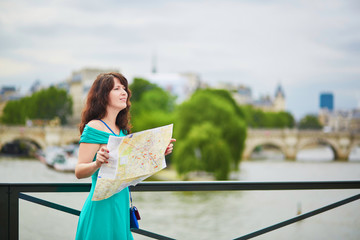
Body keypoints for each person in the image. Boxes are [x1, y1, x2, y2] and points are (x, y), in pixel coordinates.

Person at [75, 72, 175, 240]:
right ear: (103, 96)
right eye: (117, 88)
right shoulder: (94, 126)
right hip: (101, 205)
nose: (124, 92)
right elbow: (79, 171)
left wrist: (158, 152)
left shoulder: (122, 131)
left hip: (121, 203)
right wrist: (96, 163)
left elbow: (131, 168)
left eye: (124, 88)